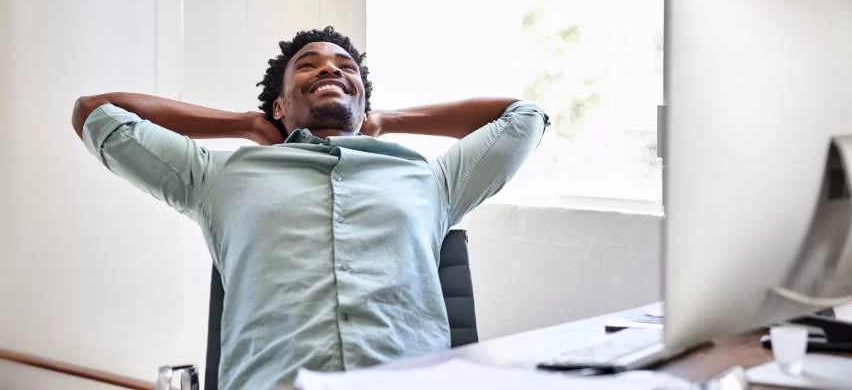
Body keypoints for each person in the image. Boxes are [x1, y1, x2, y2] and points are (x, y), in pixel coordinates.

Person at [71, 26, 548, 389]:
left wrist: (380, 121)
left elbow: (524, 117)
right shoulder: (219, 177)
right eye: (308, 65)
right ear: (278, 106)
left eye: (346, 67)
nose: (330, 69)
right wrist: (246, 125)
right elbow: (96, 112)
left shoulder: (433, 180)